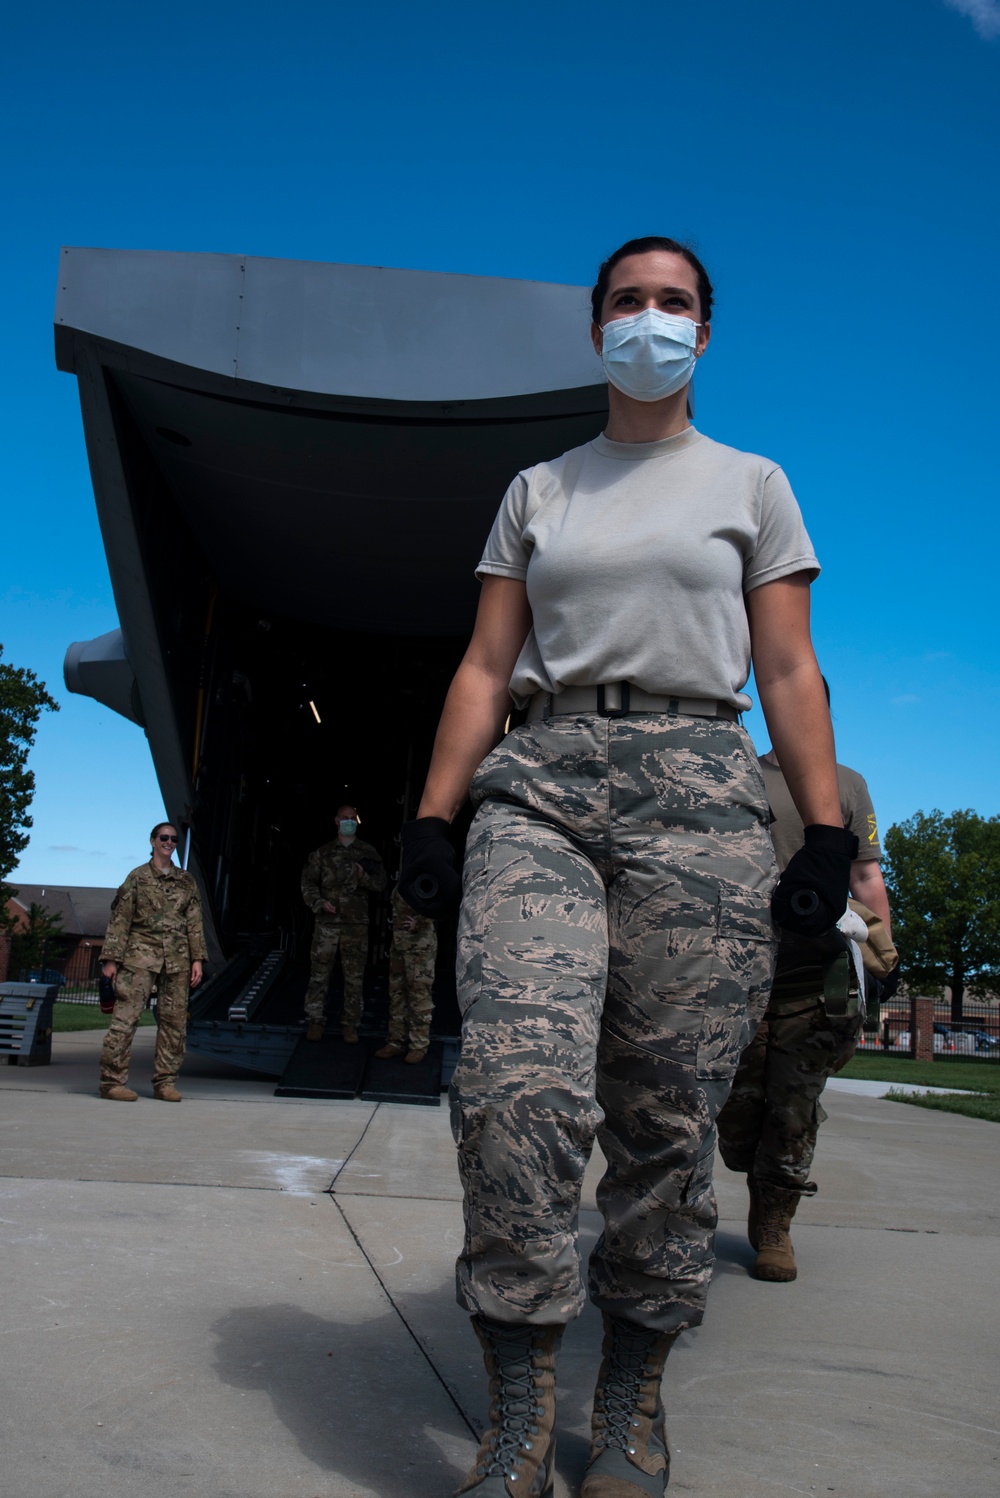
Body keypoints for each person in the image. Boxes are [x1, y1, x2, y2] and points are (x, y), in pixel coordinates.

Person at [398, 236, 855, 1498]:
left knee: (666, 1114)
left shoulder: (750, 482)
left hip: (699, 786)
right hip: (540, 783)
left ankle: (634, 1400)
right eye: (627, 300)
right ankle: (518, 1410)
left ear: (704, 332)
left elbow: (787, 671)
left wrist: (823, 832)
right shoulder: (538, 488)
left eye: (674, 302)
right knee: (512, 1086)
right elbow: (487, 666)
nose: (648, 318)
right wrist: (434, 819)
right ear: (591, 322)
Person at [717, 728, 894, 1283]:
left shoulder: (847, 786)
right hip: (733, 971)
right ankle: (749, 1172)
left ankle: (774, 1224)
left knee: (793, 1111)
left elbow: (864, 873)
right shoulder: (735, 772)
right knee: (735, 1114)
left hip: (812, 979)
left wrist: (885, 951)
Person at [98, 822, 207, 1102]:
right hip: (139, 958)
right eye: (163, 837)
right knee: (125, 1020)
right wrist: (110, 960)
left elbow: (194, 922)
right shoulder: (137, 878)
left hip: (177, 961)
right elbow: (120, 920)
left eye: (173, 838)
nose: (168, 842)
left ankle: (165, 1082)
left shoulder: (187, 881)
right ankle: (112, 1082)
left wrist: (197, 959)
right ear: (152, 841)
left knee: (173, 1025)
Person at [301, 805, 387, 1043]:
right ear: (336, 821)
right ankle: (315, 1021)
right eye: (345, 818)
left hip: (355, 925)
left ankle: (350, 1025)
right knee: (319, 974)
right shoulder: (323, 853)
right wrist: (319, 904)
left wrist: (363, 877)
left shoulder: (368, 852)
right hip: (327, 924)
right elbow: (308, 883)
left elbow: (381, 884)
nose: (349, 822)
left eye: (353, 819)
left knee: (354, 977)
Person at [375, 886, 438, 1064]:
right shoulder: (406, 877)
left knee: (419, 994)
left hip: (420, 947)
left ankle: (418, 1045)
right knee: (397, 994)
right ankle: (395, 1042)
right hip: (399, 945)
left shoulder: (429, 875)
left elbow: (442, 902)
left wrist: (420, 920)